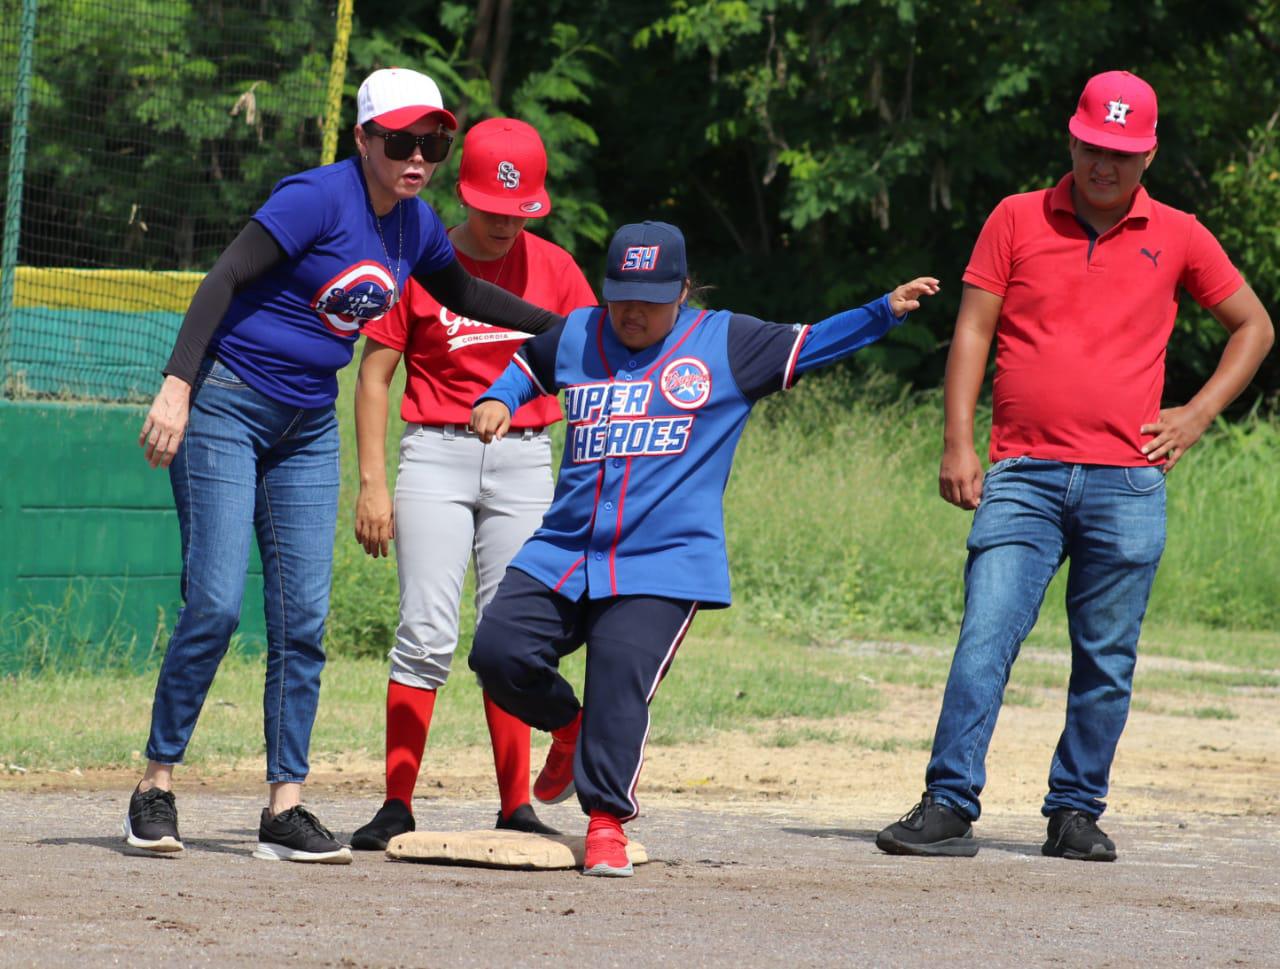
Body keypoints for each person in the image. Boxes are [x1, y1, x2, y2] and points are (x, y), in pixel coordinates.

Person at [127, 68, 561, 863]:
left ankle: (283, 806)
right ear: (363, 139)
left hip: (306, 426)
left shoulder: (415, 226)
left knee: (303, 620)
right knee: (218, 604)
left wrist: (572, 326)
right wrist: (177, 386)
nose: (418, 157)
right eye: (400, 141)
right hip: (226, 404)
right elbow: (222, 278)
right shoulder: (315, 198)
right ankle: (155, 786)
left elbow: (464, 291)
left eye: (433, 142)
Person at [876, 70, 1274, 862]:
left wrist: (1195, 416)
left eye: (1122, 153)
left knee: (1106, 657)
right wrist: (959, 441)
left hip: (1127, 482)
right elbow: (972, 333)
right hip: (1022, 472)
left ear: (1148, 154)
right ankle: (949, 801)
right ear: (1073, 139)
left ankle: (1075, 811)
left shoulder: (1181, 233)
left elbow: (1254, 326)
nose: (1105, 165)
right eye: (1095, 147)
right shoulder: (1017, 218)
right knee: (984, 635)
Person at [466, 220, 939, 876]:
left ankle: (606, 820)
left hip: (663, 559)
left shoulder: (725, 342)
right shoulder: (578, 332)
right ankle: (566, 728)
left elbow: (811, 342)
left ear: (683, 289)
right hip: (566, 548)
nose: (632, 311)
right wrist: (499, 396)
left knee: (619, 676)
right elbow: (528, 364)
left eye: (651, 297)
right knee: (498, 651)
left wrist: (881, 312)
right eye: (621, 295)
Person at [347, 118, 596, 850]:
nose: (503, 226)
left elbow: (599, 368)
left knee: (507, 634)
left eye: (519, 214)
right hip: (435, 453)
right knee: (424, 631)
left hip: (525, 459)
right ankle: (397, 803)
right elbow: (374, 375)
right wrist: (371, 483)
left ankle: (516, 805)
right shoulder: (420, 260)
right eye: (491, 210)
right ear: (464, 193)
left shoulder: (556, 270)